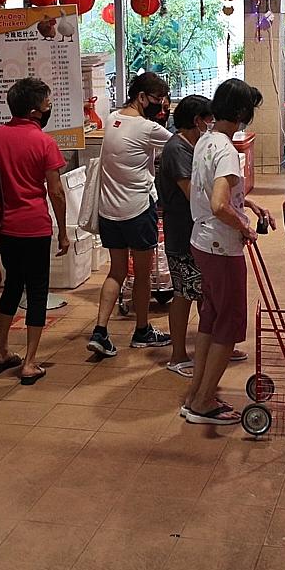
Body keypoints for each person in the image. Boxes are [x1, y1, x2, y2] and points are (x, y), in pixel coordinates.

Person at [183, 79, 274, 425]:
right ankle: (204, 401)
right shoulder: (226, 150)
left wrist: (244, 202)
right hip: (221, 246)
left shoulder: (207, 138)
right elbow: (220, 204)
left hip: (202, 240)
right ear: (240, 112)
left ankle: (196, 393)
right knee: (230, 321)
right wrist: (244, 225)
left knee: (211, 316)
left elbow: (210, 192)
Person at [0, 77, 68, 384]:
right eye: (46, 105)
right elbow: (56, 192)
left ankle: (0, 351)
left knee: (12, 286)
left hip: (5, 227)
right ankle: (30, 362)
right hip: (34, 226)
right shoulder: (45, 143)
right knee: (37, 291)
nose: (49, 109)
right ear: (34, 111)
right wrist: (63, 231)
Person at [88, 72, 174, 358]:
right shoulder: (146, 128)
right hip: (137, 210)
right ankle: (142, 331)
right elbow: (179, 146)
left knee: (116, 271)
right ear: (141, 97)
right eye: (157, 100)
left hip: (109, 211)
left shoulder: (112, 119)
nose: (160, 107)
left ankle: (100, 330)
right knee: (142, 274)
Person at [157, 94, 214, 376]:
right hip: (182, 234)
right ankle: (178, 355)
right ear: (197, 121)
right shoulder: (176, 149)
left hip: (198, 232)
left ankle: (213, 346)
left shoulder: (192, 146)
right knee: (183, 294)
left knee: (205, 293)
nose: (211, 125)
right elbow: (191, 193)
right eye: (209, 120)